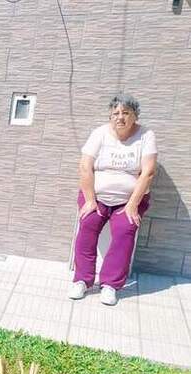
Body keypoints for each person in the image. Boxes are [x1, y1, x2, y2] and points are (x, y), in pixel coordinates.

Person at [68, 94, 157, 306]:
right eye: (116, 113)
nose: (120, 117)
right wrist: (90, 200)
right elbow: (85, 166)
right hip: (96, 197)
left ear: (135, 116)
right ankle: (82, 280)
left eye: (126, 113)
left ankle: (110, 285)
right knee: (87, 225)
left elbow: (148, 172)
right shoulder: (100, 133)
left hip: (129, 200)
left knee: (126, 231)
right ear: (110, 116)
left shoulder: (146, 135)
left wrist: (132, 205)